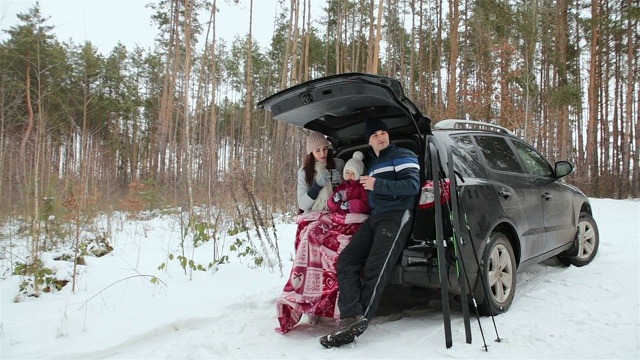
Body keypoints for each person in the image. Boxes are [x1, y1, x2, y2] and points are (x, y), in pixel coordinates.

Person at [319, 117, 421, 348]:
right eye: (375, 135)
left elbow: (412, 186)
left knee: (377, 266)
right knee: (347, 260)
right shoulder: (374, 163)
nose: (381, 137)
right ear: (369, 140)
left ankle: (357, 321)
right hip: (375, 217)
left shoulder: (402, 155)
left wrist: (378, 185)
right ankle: (350, 315)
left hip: (397, 214)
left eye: (383, 132)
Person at [297, 131, 344, 213]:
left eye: (325, 149)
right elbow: (302, 205)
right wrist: (316, 186)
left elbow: (352, 191)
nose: (322, 154)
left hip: (337, 211)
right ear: (311, 152)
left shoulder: (338, 164)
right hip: (313, 215)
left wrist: (342, 181)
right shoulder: (304, 172)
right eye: (317, 150)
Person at [327, 151, 370, 215]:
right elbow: (332, 208)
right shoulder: (341, 187)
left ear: (358, 174)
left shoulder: (362, 187)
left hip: (356, 217)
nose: (349, 175)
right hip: (341, 216)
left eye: (353, 173)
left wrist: (350, 205)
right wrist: (334, 201)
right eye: (347, 172)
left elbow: (366, 205)